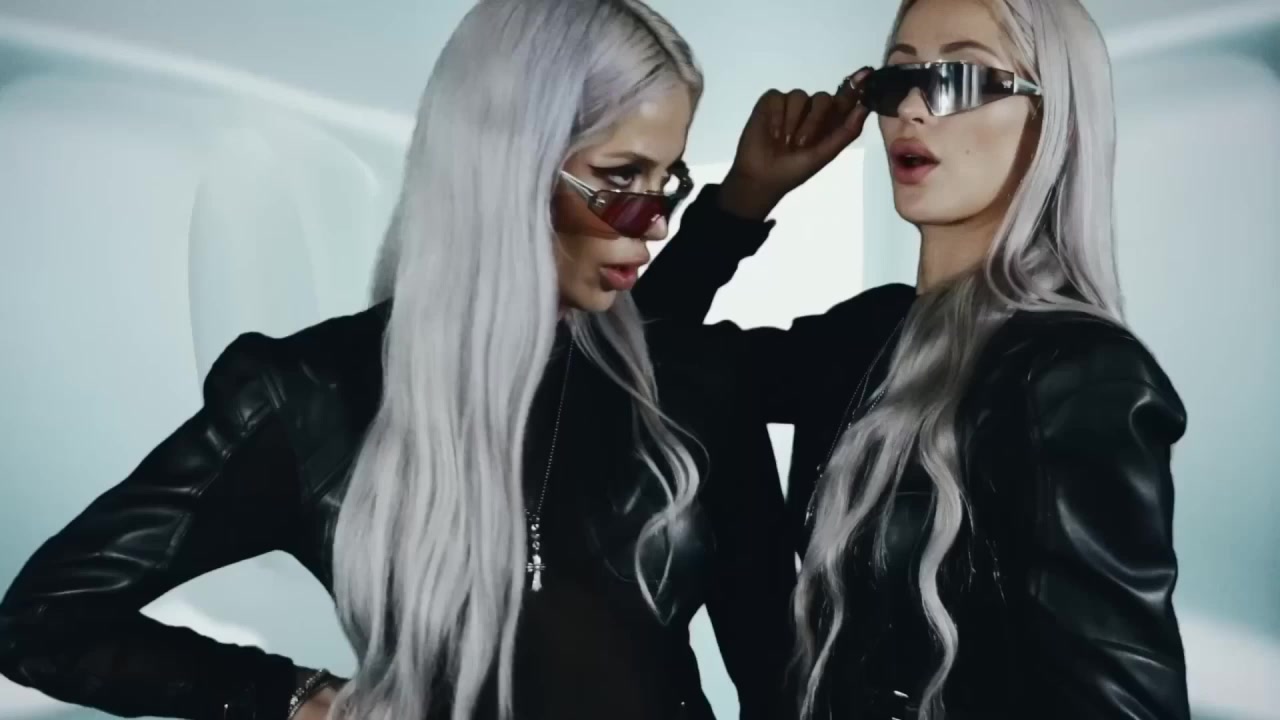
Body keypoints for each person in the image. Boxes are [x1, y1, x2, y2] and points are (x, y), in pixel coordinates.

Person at [0, 2, 797, 720]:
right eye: (623, 179)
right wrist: (294, 699)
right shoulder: (313, 397)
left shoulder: (693, 384)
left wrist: (736, 212)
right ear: (507, 163)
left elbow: (780, 679)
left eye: (668, 181)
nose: (654, 222)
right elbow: (42, 622)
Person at [633, 0, 1190, 717]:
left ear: (1053, 120)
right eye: (896, 81)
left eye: (959, 79)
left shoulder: (1081, 378)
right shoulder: (866, 337)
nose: (913, 110)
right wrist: (746, 197)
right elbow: (642, 361)